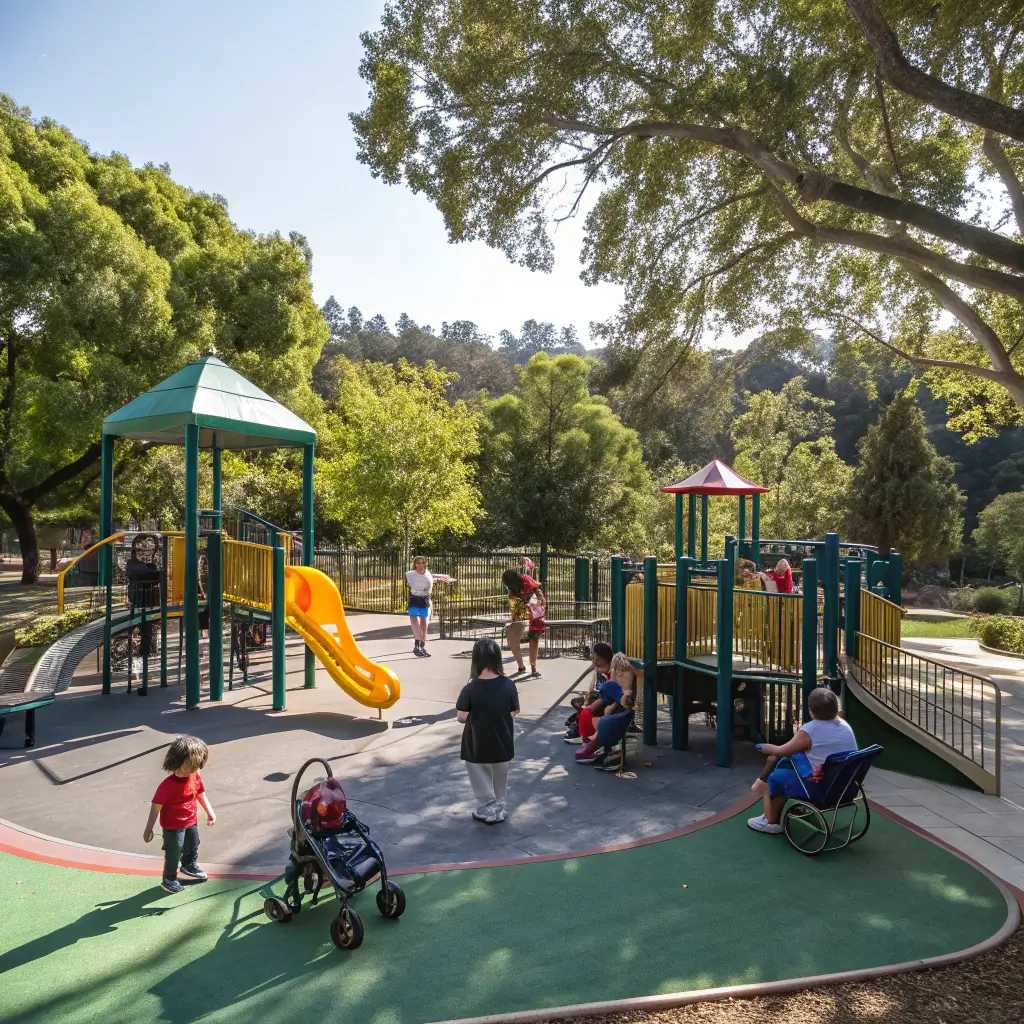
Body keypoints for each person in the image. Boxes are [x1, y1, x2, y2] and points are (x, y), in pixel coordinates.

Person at [747, 687, 857, 835]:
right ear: (836, 709)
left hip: (821, 790)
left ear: (811, 711)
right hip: (846, 787)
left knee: (777, 777)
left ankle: (770, 821)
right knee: (794, 758)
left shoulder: (809, 730)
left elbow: (781, 750)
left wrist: (764, 747)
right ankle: (765, 790)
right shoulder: (845, 726)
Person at [456, 637, 520, 824]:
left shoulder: (470, 688)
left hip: (477, 741)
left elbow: (461, 716)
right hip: (502, 740)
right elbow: (514, 710)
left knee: (479, 774)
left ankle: (487, 805)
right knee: (500, 775)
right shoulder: (509, 684)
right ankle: (499, 805)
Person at [143, 735, 216, 893]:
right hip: (173, 826)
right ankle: (169, 878)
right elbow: (156, 807)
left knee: (193, 843)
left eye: (191, 767)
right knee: (174, 852)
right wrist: (148, 829)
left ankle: (189, 865)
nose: (184, 771)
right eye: (183, 766)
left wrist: (210, 812)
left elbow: (200, 793)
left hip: (190, 820)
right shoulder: (166, 786)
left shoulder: (194, 776)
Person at [405, 555, 455, 657]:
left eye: (423, 563)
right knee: (414, 620)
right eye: (418, 563)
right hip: (414, 598)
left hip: (425, 600)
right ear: (414, 564)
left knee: (424, 624)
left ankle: (422, 645)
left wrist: (442, 579)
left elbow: (431, 578)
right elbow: (410, 583)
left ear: (425, 564)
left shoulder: (428, 574)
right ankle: (417, 645)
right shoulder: (410, 574)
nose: (420, 565)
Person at [564, 643, 614, 741]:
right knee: (579, 701)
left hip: (606, 702)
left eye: (598, 660)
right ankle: (579, 723)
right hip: (598, 698)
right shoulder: (599, 670)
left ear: (606, 659)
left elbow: (609, 694)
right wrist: (588, 695)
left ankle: (581, 730)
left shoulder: (613, 673)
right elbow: (593, 684)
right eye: (593, 659)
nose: (595, 662)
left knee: (592, 701)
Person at [502, 568, 546, 678]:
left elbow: (536, 589)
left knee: (534, 637)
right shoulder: (511, 588)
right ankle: (521, 666)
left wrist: (540, 598)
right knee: (512, 639)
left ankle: (533, 667)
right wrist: (514, 617)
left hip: (535, 609)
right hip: (522, 612)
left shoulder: (525, 579)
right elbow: (512, 602)